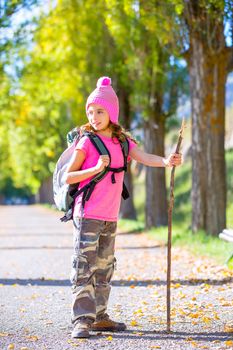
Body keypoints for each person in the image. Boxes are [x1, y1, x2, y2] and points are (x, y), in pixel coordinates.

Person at [65, 76, 182, 338]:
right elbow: (67, 177)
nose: (94, 116)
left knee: (105, 267)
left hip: (110, 215)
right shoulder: (87, 142)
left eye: (99, 111)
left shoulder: (122, 142)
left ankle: (100, 316)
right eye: (90, 111)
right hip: (86, 214)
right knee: (85, 266)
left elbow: (145, 157)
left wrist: (166, 161)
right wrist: (95, 168)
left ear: (112, 113)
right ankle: (82, 320)